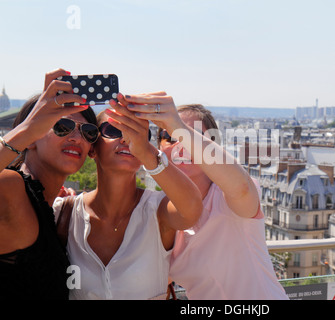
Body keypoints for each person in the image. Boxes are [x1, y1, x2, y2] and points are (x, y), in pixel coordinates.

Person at [124, 94, 288, 300]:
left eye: (190, 135)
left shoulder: (227, 198)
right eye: (170, 137)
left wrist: (175, 124)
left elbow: (242, 189)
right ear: (160, 147)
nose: (181, 144)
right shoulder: (162, 211)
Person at [53, 93, 203, 299]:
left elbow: (193, 208)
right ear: (92, 149)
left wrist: (147, 152)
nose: (126, 138)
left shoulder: (157, 210)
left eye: (137, 133)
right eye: (113, 130)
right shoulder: (64, 213)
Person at [0, 69, 97, 299]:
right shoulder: (11, 186)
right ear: (32, 137)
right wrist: (25, 131)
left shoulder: (48, 206)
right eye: (62, 126)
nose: (76, 137)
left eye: (88, 131)